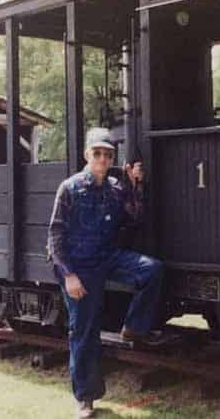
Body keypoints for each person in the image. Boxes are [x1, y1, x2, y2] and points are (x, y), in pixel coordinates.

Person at [47, 128, 165, 418]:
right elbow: (55, 236)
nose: (102, 158)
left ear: (112, 158)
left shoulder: (116, 188)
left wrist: (135, 184)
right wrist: (69, 275)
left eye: (107, 154)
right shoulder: (70, 188)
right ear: (87, 155)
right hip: (79, 267)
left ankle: (134, 327)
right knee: (84, 332)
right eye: (97, 153)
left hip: (109, 257)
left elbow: (135, 218)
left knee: (152, 270)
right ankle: (85, 400)